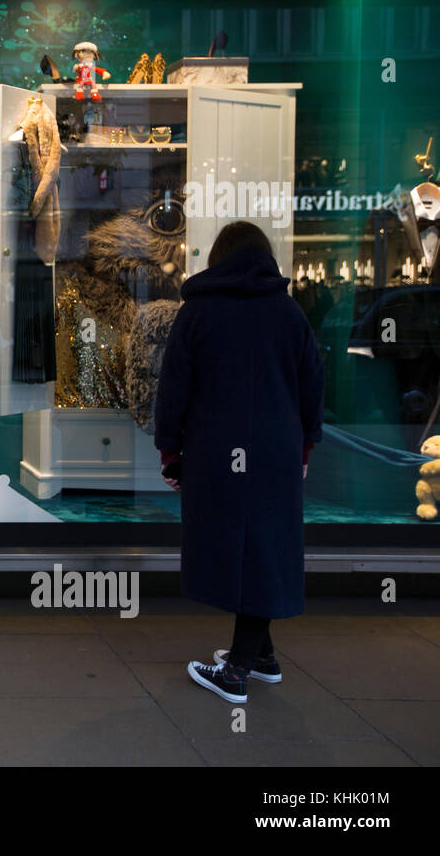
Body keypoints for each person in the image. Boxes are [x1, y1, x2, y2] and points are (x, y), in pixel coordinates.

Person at [154, 221, 324, 704]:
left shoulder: (198, 312)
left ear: (219, 258)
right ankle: (261, 655)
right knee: (266, 546)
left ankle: (238, 671)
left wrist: (171, 453)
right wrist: (306, 447)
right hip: (276, 452)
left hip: (215, 452)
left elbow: (174, 389)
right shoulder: (289, 314)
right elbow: (314, 384)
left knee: (236, 548)